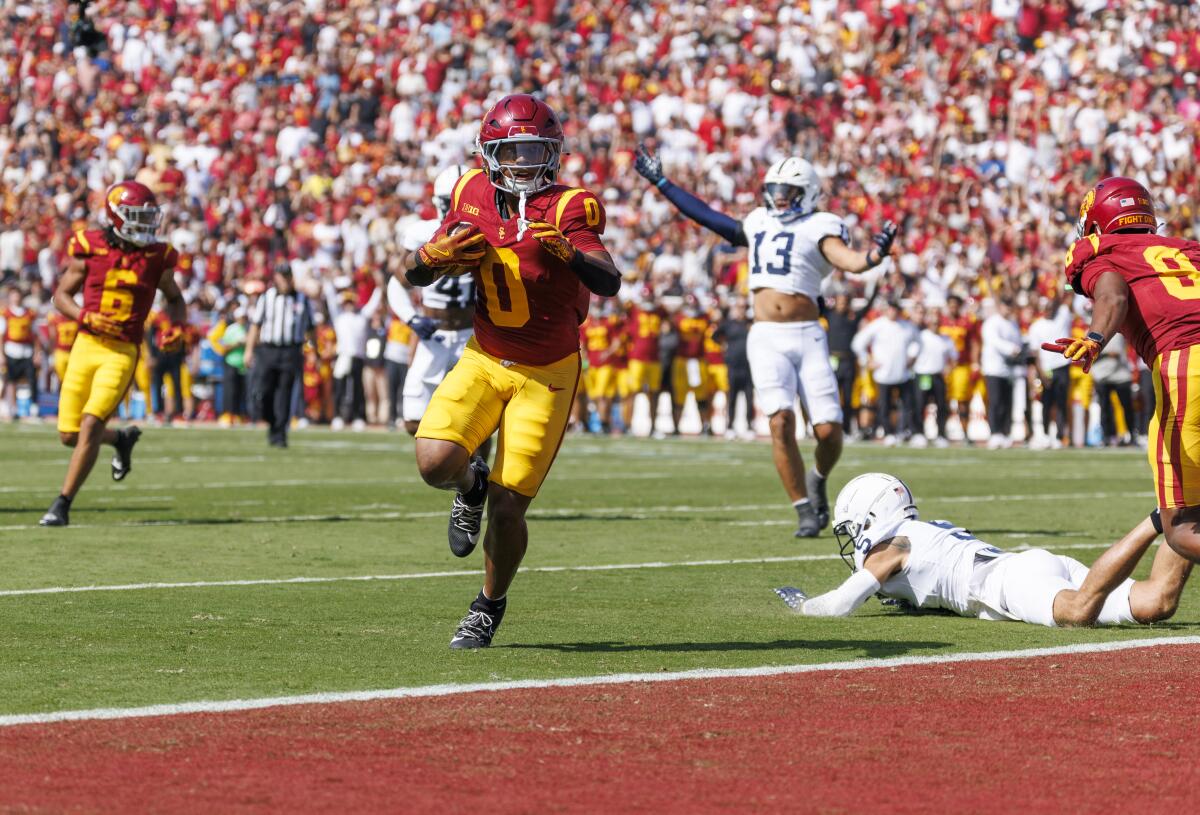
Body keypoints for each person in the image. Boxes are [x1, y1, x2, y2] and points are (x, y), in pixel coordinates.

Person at [397, 93, 620, 649]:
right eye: (512, 149)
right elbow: (415, 273)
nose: (523, 161)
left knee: (510, 506)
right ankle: (467, 486)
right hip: (483, 355)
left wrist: (570, 256)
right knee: (433, 461)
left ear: (553, 152)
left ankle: (487, 606)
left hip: (546, 372)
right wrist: (432, 256)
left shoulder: (571, 206)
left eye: (533, 149)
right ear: (490, 152)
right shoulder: (470, 191)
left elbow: (609, 279)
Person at [636, 148, 897, 536]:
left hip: (807, 334)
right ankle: (804, 509)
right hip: (766, 335)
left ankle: (818, 477)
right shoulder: (759, 221)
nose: (778, 196)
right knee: (780, 421)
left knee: (828, 430)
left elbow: (851, 261)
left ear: (807, 192)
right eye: (774, 189)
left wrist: (874, 256)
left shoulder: (820, 225)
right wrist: (663, 183)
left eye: (788, 190)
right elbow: (709, 217)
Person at [774, 473, 1191, 627]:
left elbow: (840, 605)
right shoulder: (917, 531)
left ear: (870, 517)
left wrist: (804, 606)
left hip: (1007, 582)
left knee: (1078, 612)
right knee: (1157, 601)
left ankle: (1157, 519)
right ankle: (1186, 504)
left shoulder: (894, 545)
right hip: (1028, 566)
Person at [1044, 176, 1200, 564]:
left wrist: (1096, 337)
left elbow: (1112, 293)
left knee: (1180, 527)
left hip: (1186, 362)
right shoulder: (1188, 249)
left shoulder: (1100, 250)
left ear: (1096, 224)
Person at [40, 181, 187, 527]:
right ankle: (121, 439)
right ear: (116, 216)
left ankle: (62, 504)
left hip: (122, 351)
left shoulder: (157, 256)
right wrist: (84, 315)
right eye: (138, 217)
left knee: (90, 424)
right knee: (69, 435)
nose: (147, 225)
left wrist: (176, 327)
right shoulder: (89, 246)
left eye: (149, 217)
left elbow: (175, 298)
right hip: (86, 345)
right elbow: (60, 296)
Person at [387, 165, 476, 436]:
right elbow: (398, 282)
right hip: (435, 336)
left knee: (476, 422)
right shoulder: (421, 233)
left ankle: (475, 474)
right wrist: (413, 318)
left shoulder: (486, 234)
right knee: (413, 420)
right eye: (451, 204)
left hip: (472, 336)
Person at [244, 263, 315, 448]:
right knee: (263, 391)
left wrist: (313, 350)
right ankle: (271, 420)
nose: (285, 280)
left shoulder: (302, 299)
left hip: (291, 351)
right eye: (281, 276)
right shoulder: (267, 298)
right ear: (275, 278)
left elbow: (311, 328)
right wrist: (249, 350)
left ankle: (280, 434)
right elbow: (255, 325)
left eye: (287, 276)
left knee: (284, 393)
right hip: (269, 350)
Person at [851, 301, 919, 444]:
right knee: (885, 406)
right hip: (883, 374)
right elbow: (858, 343)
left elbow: (917, 342)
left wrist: (912, 357)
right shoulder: (877, 325)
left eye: (896, 310)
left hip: (902, 373)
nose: (893, 312)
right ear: (886, 310)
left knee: (907, 404)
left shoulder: (906, 326)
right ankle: (888, 432)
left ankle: (910, 432)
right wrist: (867, 360)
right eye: (891, 309)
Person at [824, 290, 877, 437]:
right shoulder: (829, 315)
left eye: (845, 302)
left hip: (848, 362)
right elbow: (819, 300)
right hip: (833, 361)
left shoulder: (852, 318)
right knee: (831, 397)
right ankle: (830, 428)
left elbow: (868, 307)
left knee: (848, 399)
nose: (842, 304)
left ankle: (846, 429)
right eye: (840, 301)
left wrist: (876, 288)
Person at [980, 298, 1024, 449]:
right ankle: (995, 432)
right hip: (994, 368)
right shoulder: (992, 323)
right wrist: (1011, 349)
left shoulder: (1012, 323)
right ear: (1000, 307)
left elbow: (1018, 341)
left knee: (1007, 402)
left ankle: (1005, 432)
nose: (1008, 309)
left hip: (1009, 370)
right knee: (996, 401)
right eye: (1006, 305)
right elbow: (994, 341)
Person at [625, 288, 667, 437]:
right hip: (637, 358)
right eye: (645, 297)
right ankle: (628, 426)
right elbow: (622, 305)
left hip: (654, 358)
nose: (647, 300)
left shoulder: (659, 311)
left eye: (649, 297)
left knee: (654, 393)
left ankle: (653, 427)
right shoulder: (634, 309)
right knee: (633, 392)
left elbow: (669, 314)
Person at [912, 308, 957, 446]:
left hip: (938, 375)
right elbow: (912, 356)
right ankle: (919, 433)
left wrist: (948, 369)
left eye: (937, 323)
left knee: (941, 406)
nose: (935, 325)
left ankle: (941, 435)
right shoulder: (921, 336)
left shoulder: (946, 339)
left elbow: (954, 358)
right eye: (933, 322)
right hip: (923, 375)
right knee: (920, 404)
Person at [2, 286, 39, 419]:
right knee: (10, 380)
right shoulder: (5, 314)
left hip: (26, 350)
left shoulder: (30, 313)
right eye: (13, 295)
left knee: (31, 379)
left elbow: (35, 335)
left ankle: (33, 409)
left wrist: (37, 353)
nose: (16, 297)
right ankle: (12, 408)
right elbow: (1, 335)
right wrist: (1, 354)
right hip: (11, 350)